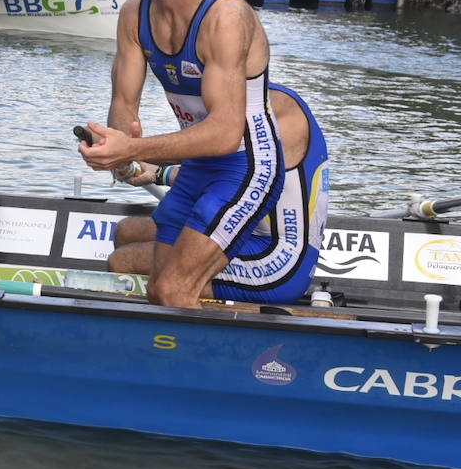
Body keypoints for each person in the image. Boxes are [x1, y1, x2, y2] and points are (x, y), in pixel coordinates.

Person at [78, 0, 283, 309]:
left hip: (246, 165)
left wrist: (134, 148)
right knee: (160, 289)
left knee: (174, 289)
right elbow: (123, 102)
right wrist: (114, 153)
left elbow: (226, 134)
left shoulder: (225, 14)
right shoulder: (135, 13)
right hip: (199, 167)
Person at [107, 83, 328, 304]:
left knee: (124, 262)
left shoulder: (275, 104)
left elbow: (209, 147)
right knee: (126, 231)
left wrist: (127, 149)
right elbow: (217, 171)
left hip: (278, 258)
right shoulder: (238, 99)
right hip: (245, 233)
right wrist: (153, 170)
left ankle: (173, 331)